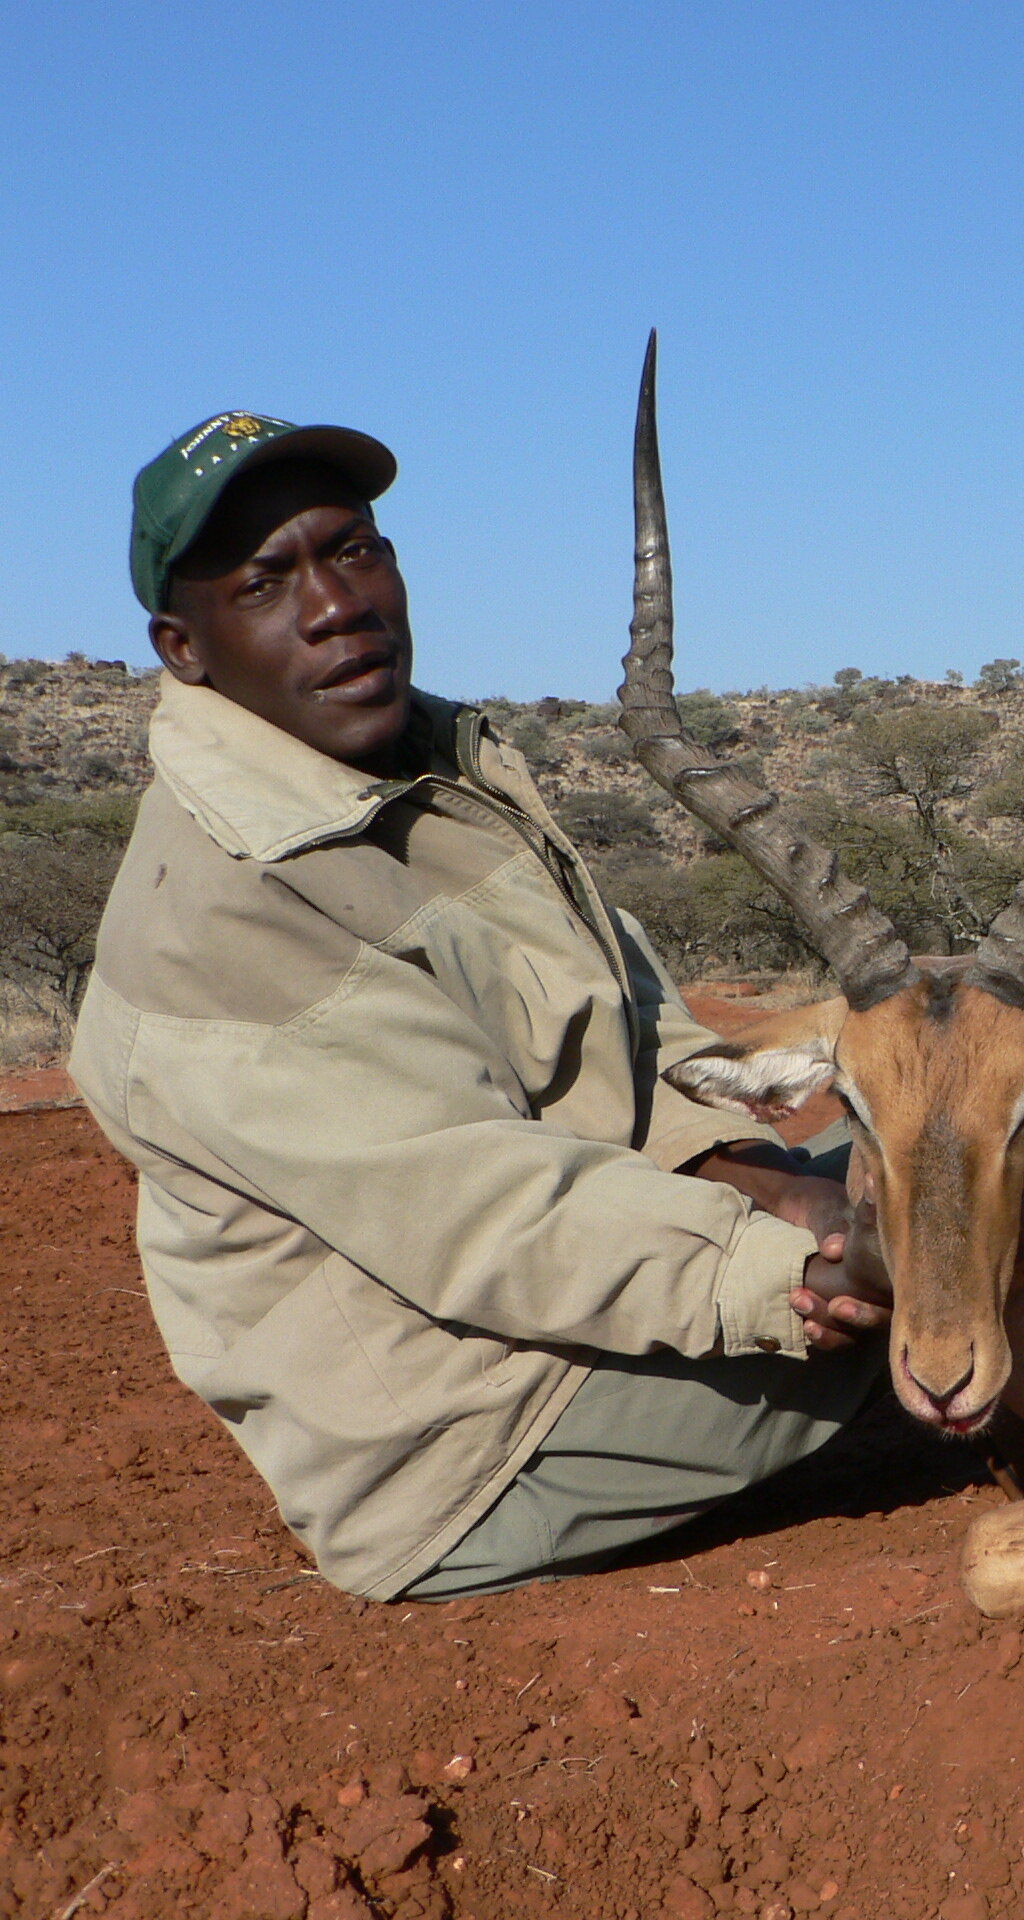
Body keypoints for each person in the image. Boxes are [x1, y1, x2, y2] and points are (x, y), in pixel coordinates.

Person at [69, 410, 889, 1603]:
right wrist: (775, 1270)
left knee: (936, 1160)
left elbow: (623, 1023)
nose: (336, 604)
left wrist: (759, 1168)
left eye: (354, 550)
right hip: (473, 1444)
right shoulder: (213, 921)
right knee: (942, 1250)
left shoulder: (433, 769)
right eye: (264, 582)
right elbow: (483, 1215)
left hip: (562, 1298)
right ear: (184, 647)